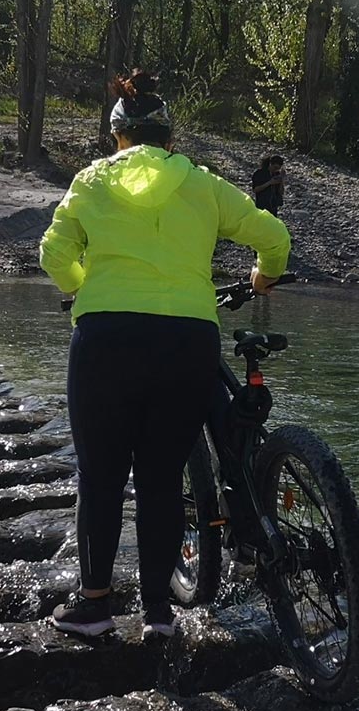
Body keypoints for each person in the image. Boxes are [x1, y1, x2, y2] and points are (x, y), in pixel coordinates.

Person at [41, 69, 291, 640]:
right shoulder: (204, 185)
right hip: (187, 341)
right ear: (171, 140)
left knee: (101, 476)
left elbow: (54, 253)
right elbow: (273, 237)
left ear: (118, 138)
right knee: (160, 478)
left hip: (107, 338)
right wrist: (259, 279)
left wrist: (84, 286)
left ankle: (96, 605)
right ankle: (157, 611)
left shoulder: (90, 181)